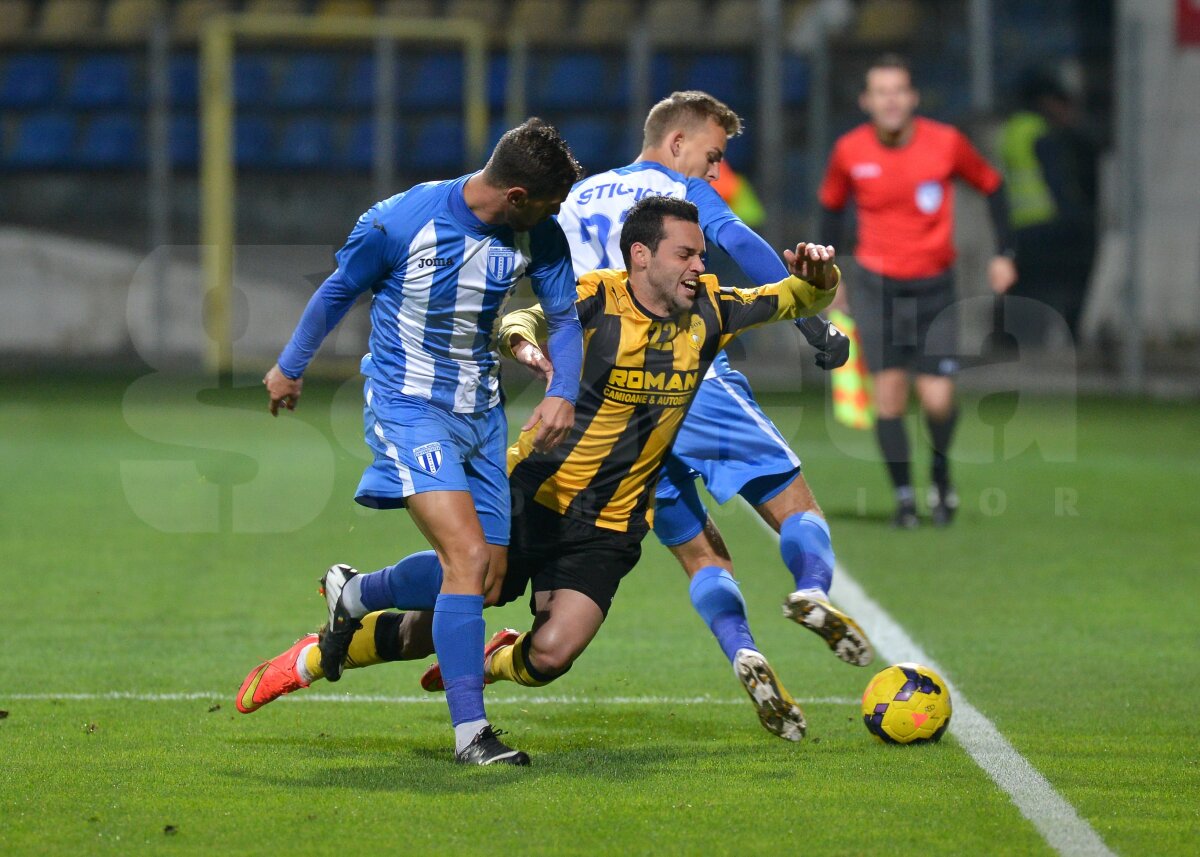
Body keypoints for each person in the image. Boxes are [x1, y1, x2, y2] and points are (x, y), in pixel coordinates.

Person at [238, 196, 841, 743]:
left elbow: (798, 298)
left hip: (612, 525)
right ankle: (338, 625)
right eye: (685, 254)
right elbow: (520, 320)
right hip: (539, 492)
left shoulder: (712, 310)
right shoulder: (597, 297)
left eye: (702, 255)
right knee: (466, 589)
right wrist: (531, 352)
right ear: (642, 255)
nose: (698, 267)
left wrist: (821, 276)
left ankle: (487, 657)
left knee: (549, 657)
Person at [252, 118, 585, 767]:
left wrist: (562, 389)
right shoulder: (400, 221)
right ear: (516, 195)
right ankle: (472, 733)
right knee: (465, 556)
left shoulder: (537, 235)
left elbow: (566, 318)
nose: (555, 216)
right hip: (408, 407)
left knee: (485, 578)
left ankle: (354, 593)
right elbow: (338, 289)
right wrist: (289, 366)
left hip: (481, 414)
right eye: (548, 203)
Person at [555, 91, 873, 677]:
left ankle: (742, 650)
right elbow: (740, 241)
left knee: (698, 550)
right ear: (677, 143)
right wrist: (810, 319)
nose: (715, 170)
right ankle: (812, 590)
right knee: (792, 498)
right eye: (712, 154)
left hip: (607, 408)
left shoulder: (573, 198)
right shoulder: (676, 193)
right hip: (681, 375)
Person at [818, 55, 1019, 528]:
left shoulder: (946, 143)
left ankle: (941, 473)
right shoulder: (849, 151)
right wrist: (831, 278)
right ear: (867, 101)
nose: (890, 99)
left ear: (912, 98)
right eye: (880, 91)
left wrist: (1004, 253)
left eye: (898, 90)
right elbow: (829, 214)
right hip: (875, 285)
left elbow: (993, 186)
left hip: (934, 287)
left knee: (937, 399)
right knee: (889, 395)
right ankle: (906, 500)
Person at [1000, 70, 1098, 345]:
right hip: (1048, 223)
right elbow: (1056, 181)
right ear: (1044, 101)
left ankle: (1012, 345)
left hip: (1021, 225)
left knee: (1024, 291)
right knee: (1067, 282)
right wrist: (1076, 217)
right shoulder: (1040, 133)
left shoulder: (1012, 130)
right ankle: (1072, 336)